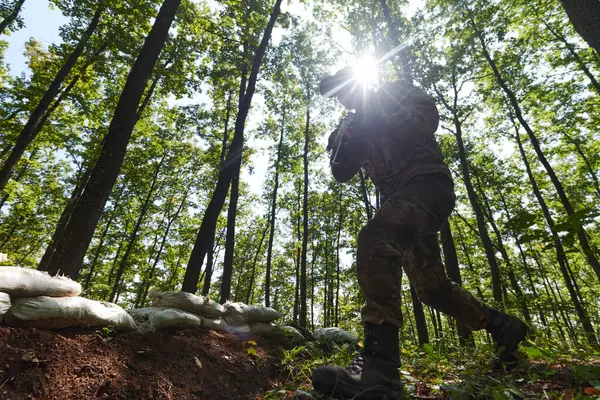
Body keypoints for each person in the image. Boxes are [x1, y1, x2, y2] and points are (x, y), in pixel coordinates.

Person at [310, 67, 529, 399]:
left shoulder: (396, 94)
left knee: (375, 238)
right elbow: (341, 172)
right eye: (337, 96)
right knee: (431, 288)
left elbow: (422, 123)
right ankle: (502, 326)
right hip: (400, 201)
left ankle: (379, 365)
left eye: (344, 89)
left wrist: (375, 116)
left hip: (428, 185)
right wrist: (348, 139)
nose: (343, 98)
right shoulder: (350, 125)